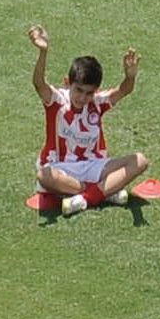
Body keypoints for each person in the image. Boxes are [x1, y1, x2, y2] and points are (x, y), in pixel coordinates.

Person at [30, 28, 145, 214]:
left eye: (89, 93)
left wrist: (129, 77)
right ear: (68, 83)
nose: (83, 98)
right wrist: (43, 52)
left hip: (94, 165)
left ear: (96, 90)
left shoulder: (98, 103)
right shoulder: (57, 101)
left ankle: (85, 198)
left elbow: (124, 90)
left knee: (140, 161)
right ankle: (104, 191)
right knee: (44, 175)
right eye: (79, 90)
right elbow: (39, 83)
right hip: (61, 167)